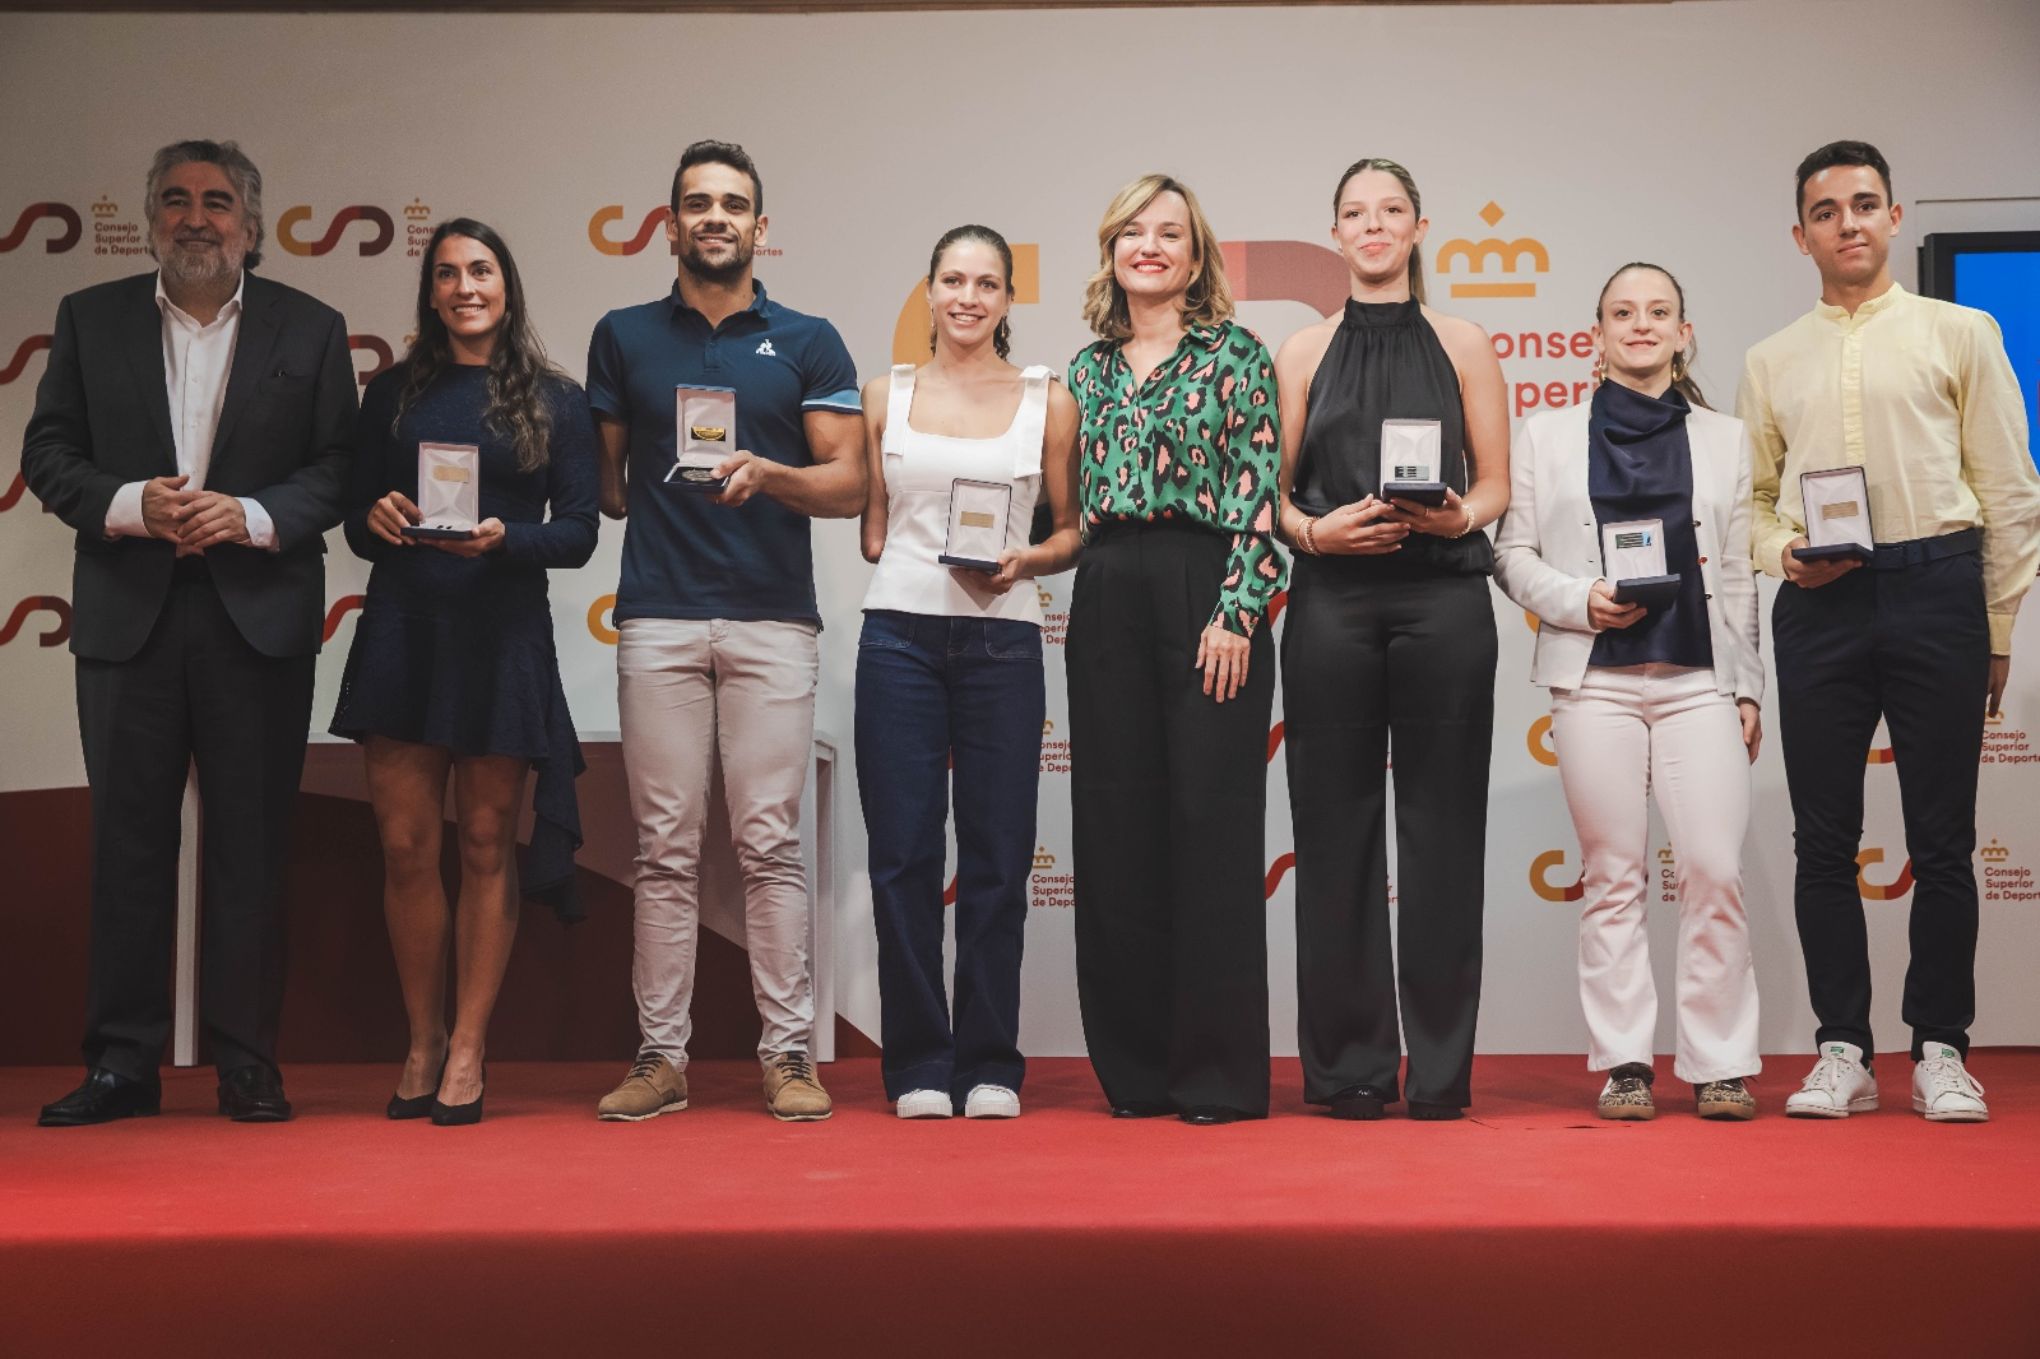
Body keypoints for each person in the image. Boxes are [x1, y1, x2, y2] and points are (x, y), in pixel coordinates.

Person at [22, 139, 354, 1126]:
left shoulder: (311, 327)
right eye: (176, 200)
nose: (195, 218)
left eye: (216, 202)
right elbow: (48, 452)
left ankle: (247, 1063)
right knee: (127, 847)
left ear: (251, 224)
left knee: (251, 848)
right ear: (150, 219)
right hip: (130, 616)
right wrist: (133, 504)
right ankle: (122, 1066)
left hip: (258, 618)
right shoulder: (90, 319)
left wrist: (248, 515)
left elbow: (340, 466)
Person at [1739, 141, 2040, 1123]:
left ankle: (1941, 1048)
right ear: (1801, 236)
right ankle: (1844, 1050)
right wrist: (1785, 554)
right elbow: (1751, 503)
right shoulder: (1770, 359)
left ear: (1895, 217)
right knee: (1823, 839)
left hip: (1938, 588)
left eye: (1865, 204)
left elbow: (2009, 488)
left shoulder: (1963, 332)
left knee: (1943, 840)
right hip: (1819, 604)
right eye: (1826, 212)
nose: (1849, 224)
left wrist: (1998, 626)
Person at [587, 140, 865, 1123]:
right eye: (698, 203)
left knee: (770, 846)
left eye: (733, 204)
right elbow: (609, 487)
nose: (716, 218)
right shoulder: (623, 335)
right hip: (658, 617)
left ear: (760, 226)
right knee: (663, 849)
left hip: (772, 619)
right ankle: (661, 1058)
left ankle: (788, 1053)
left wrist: (771, 473)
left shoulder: (809, 340)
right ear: (671, 224)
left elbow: (850, 484)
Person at [330, 218, 598, 1126]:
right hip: (404, 631)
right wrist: (376, 517)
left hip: (500, 634)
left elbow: (580, 531)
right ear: (430, 292)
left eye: (480, 270)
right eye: (446, 274)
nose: (465, 287)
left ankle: (471, 1046)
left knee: (486, 845)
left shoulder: (557, 399)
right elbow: (352, 515)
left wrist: (504, 537)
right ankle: (423, 1039)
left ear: (506, 285)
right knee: (407, 847)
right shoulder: (390, 391)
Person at [1495, 263, 1765, 1121]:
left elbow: (1736, 571)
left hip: (1699, 678)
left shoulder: (1726, 438)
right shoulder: (1545, 433)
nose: (1640, 324)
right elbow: (1511, 554)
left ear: (1684, 333)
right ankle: (1625, 1064)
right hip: (1595, 683)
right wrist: (1580, 599)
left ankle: (1720, 1062)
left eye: (1658, 312)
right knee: (1612, 875)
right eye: (1623, 312)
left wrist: (1748, 684)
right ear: (1598, 334)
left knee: (1713, 869)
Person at [1272, 158, 1509, 1121]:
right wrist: (1316, 532)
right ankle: (1350, 1069)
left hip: (1443, 599)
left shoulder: (1464, 342)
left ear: (1419, 227)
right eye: (1355, 213)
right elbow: (1273, 500)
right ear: (1335, 233)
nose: (1373, 226)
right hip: (1330, 602)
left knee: (1443, 834)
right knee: (1335, 838)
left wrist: (1460, 519)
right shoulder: (1300, 350)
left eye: (1391, 210)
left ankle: (1441, 1074)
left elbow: (1495, 484)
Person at [1065, 174, 1283, 1125]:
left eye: (1169, 234)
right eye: (1133, 232)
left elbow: (1259, 492)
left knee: (1212, 829)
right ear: (1112, 250)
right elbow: (1063, 504)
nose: (1149, 246)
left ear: (1196, 259)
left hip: (1210, 589)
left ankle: (1217, 1074)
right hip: (1107, 587)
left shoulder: (1237, 353)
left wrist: (1238, 610)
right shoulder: (1084, 371)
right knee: (1115, 827)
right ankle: (1137, 1071)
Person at [855, 225, 1081, 1120]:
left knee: (997, 858)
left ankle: (988, 1062)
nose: (968, 297)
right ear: (930, 290)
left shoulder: (1047, 399)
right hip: (898, 640)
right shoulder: (885, 393)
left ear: (1008, 299)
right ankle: (918, 1061)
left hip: (1003, 643)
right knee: (903, 856)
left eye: (987, 283)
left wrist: (1023, 560)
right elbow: (874, 532)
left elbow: (1072, 530)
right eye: (953, 280)